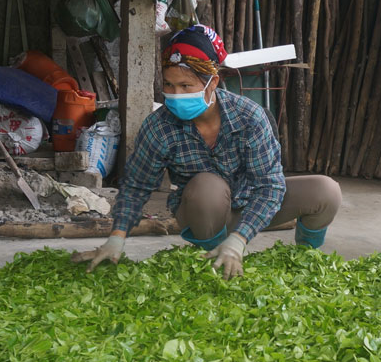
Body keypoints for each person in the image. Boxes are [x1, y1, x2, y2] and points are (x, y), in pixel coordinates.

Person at [73, 25, 342, 279]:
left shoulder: (249, 117)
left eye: (185, 86)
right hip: (205, 211)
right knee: (207, 186)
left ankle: (303, 260)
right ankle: (213, 262)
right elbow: (136, 186)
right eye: (168, 85)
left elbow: (270, 187)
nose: (175, 94)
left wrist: (239, 239)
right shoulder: (159, 127)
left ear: (212, 83)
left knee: (325, 191)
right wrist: (116, 239)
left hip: (251, 208)